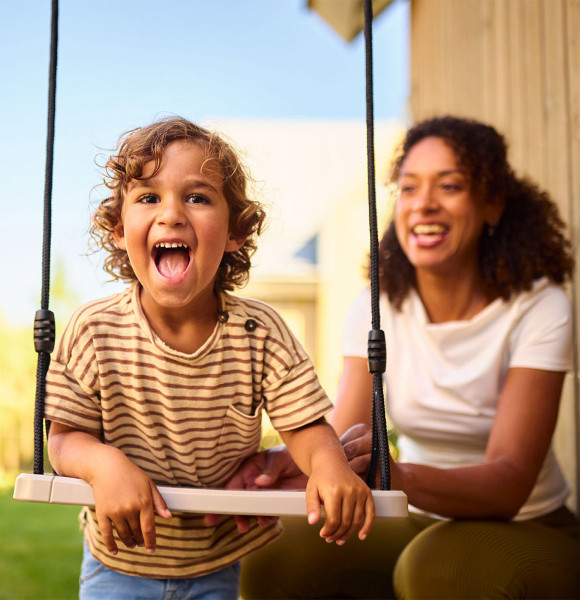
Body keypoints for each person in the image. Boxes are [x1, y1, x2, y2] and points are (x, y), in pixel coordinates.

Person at [234, 116, 580, 599]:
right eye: (409, 188)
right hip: (416, 519)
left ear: (492, 205)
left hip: (529, 526)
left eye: (449, 186)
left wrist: (395, 474)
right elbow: (344, 438)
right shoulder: (377, 305)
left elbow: (510, 480)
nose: (424, 203)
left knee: (437, 569)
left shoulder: (538, 307)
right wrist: (295, 463)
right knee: (276, 553)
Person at [44, 116, 375, 600]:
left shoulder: (260, 333)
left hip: (217, 562)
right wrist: (104, 466)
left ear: (236, 232)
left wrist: (327, 465)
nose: (172, 214)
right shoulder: (94, 330)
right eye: (148, 197)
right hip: (116, 561)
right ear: (119, 229)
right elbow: (64, 439)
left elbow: (304, 426)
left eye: (197, 197)